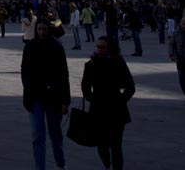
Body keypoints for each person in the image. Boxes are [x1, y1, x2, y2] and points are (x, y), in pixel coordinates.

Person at [21, 18, 70, 170]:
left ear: (49, 30)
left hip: (53, 97)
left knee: (55, 135)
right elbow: (24, 71)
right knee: (37, 136)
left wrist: (65, 100)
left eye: (44, 29)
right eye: (40, 29)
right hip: (35, 96)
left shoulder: (56, 47)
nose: (42, 32)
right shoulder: (30, 47)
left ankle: (60, 164)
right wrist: (27, 90)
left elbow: (64, 74)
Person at [82, 36, 135, 170]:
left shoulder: (118, 62)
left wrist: (121, 101)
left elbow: (130, 86)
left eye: (103, 47)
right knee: (101, 145)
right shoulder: (90, 64)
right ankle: (107, 164)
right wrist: (91, 98)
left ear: (109, 48)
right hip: (98, 110)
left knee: (116, 145)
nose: (100, 49)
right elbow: (85, 86)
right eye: (98, 47)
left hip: (117, 110)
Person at [168, 15, 185, 97]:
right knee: (181, 80)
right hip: (180, 60)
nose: (184, 27)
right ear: (181, 24)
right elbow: (171, 44)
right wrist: (171, 54)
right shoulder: (176, 33)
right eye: (183, 25)